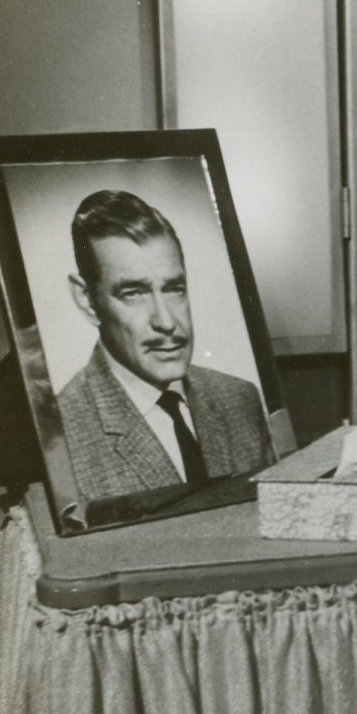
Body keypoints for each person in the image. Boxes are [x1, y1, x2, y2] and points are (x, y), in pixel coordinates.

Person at [56, 189, 275, 502]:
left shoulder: (240, 399)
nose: (167, 321)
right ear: (87, 300)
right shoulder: (61, 437)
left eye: (174, 289)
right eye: (133, 292)